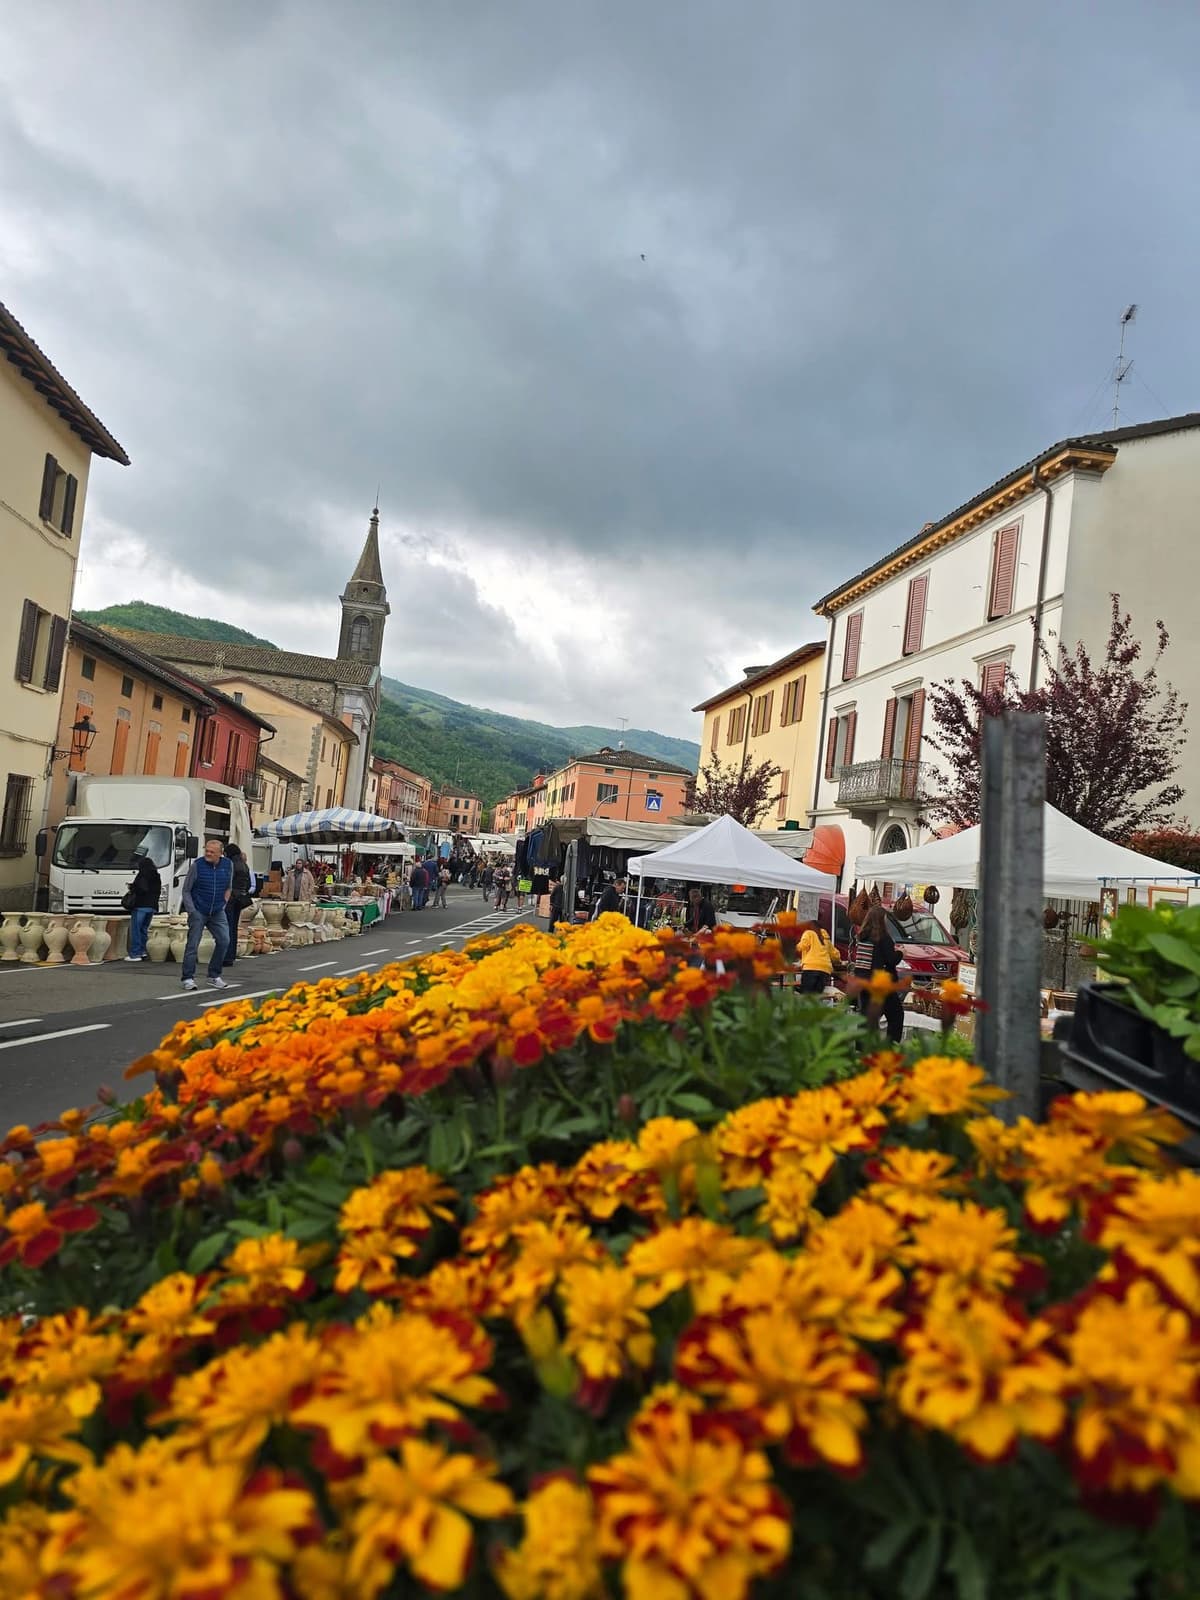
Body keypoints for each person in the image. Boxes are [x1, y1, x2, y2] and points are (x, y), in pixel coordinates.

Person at [180, 838, 232, 991]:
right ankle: (188, 978)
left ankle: (214, 975)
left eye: (212, 852)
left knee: (224, 941)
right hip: (199, 910)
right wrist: (192, 911)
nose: (208, 854)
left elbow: (228, 886)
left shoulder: (228, 865)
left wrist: (224, 904)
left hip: (217, 910)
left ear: (220, 854)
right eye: (206, 851)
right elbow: (186, 890)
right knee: (192, 945)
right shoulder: (197, 865)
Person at [852, 904, 905, 1043]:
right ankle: (891, 1045)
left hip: (864, 982)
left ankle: (862, 1048)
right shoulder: (883, 938)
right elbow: (891, 960)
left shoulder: (862, 936)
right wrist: (901, 952)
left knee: (867, 1017)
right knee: (896, 1015)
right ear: (881, 920)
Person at [123, 851, 162, 961]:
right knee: (144, 929)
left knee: (136, 930)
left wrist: (132, 887)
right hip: (152, 906)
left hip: (141, 906)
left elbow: (141, 889)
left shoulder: (142, 875)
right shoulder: (156, 876)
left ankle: (135, 954)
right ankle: (144, 951)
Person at [223, 842, 253, 968]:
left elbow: (226, 882)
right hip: (240, 899)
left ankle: (226, 956)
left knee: (227, 927)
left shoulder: (230, 865)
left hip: (230, 898)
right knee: (234, 927)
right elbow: (248, 884)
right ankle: (231, 955)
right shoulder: (245, 866)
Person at [797, 920, 835, 994]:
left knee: (806, 995)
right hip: (825, 969)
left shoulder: (808, 933)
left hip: (811, 967)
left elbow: (802, 946)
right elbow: (833, 953)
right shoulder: (825, 936)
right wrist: (839, 961)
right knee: (816, 996)